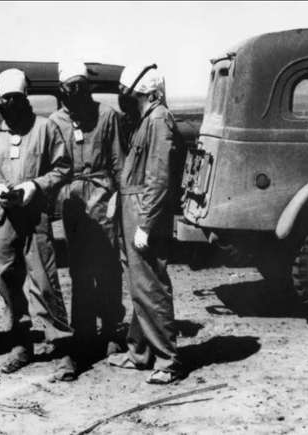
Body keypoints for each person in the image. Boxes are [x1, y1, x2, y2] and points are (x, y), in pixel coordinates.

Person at [0, 68, 77, 381]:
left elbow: (62, 168)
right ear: (0, 101)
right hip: (3, 220)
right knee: (7, 280)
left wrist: (36, 186)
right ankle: (20, 344)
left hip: (35, 217)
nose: (11, 103)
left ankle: (62, 346)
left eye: (16, 98)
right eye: (6, 99)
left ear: (25, 98)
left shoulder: (45, 129)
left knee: (44, 279)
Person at [107, 64, 185, 384]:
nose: (131, 102)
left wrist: (146, 223)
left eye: (136, 97)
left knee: (150, 285)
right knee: (138, 284)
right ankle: (140, 352)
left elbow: (158, 178)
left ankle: (168, 360)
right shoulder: (145, 122)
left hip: (143, 212)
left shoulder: (158, 120)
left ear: (150, 95)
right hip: (132, 207)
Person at [49, 61, 126, 360]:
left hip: (104, 197)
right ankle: (83, 331)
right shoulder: (55, 123)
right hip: (74, 203)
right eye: (71, 88)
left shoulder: (107, 116)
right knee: (80, 270)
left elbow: (119, 160)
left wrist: (119, 195)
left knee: (108, 265)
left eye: (83, 87)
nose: (78, 93)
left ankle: (111, 329)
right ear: (62, 91)